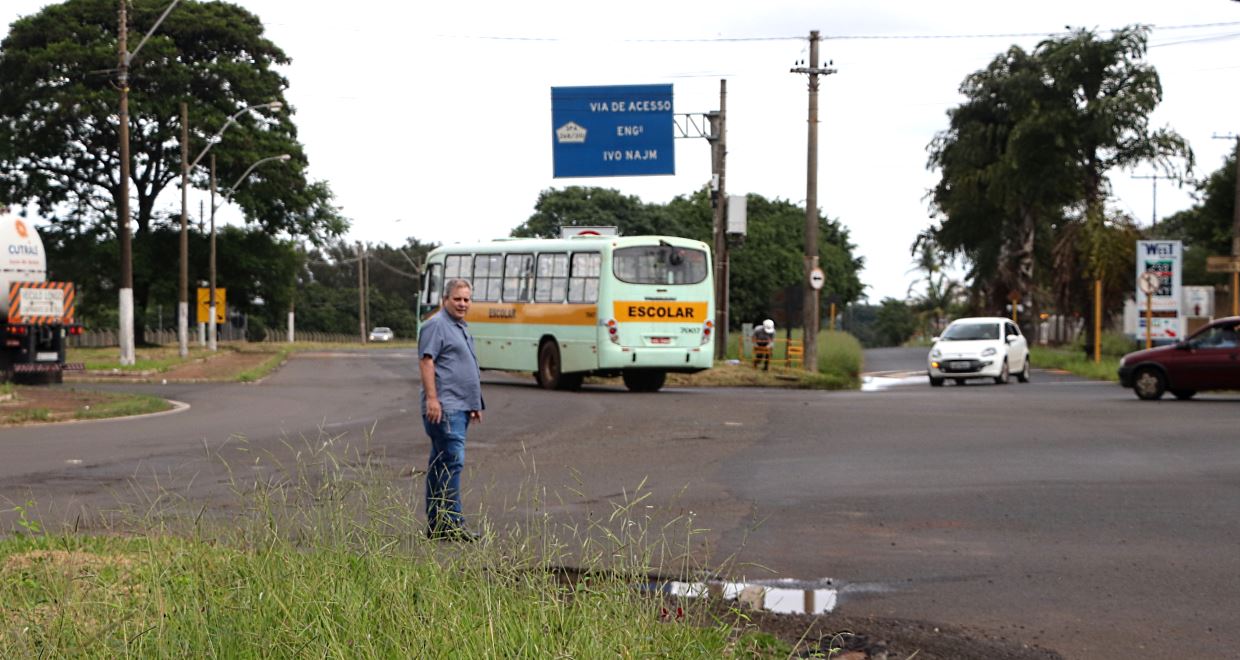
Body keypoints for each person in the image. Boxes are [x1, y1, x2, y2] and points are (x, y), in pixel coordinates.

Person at [418, 278, 484, 541]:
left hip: (461, 405)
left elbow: (464, 366)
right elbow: (426, 362)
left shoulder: (460, 327)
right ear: (445, 299)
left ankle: (437, 523)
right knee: (452, 463)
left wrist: (475, 402)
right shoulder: (436, 325)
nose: (463, 304)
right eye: (457, 298)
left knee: (440, 464)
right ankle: (453, 524)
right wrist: (432, 400)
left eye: (467, 299)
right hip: (445, 408)